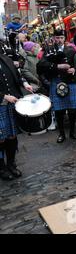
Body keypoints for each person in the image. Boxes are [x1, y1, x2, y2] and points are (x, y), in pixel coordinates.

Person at [37, 30, 76, 144]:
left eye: (61, 37)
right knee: (59, 111)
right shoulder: (48, 51)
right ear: (54, 38)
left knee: (73, 110)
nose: (59, 40)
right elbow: (41, 65)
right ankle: (61, 134)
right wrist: (58, 66)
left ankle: (72, 131)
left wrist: (74, 69)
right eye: (57, 37)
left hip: (70, 82)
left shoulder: (71, 50)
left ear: (64, 38)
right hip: (56, 82)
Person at [0, 50, 33, 180]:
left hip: (13, 104)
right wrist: (4, 96)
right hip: (1, 104)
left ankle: (11, 164)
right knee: (1, 138)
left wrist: (25, 84)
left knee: (12, 136)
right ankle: (1, 167)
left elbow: (17, 76)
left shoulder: (6, 59)